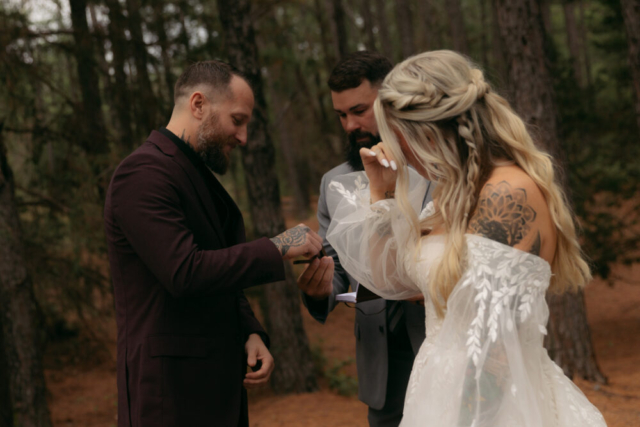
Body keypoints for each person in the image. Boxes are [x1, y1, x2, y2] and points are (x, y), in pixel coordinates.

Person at [326, 50, 607, 426]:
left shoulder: (507, 194)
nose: (397, 152)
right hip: (438, 390)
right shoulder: (452, 193)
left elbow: (494, 350)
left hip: (488, 404)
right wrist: (382, 194)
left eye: (399, 136)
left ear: (430, 130)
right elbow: (388, 280)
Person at [103, 61, 322, 427]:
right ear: (199, 105)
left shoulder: (190, 171)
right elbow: (185, 271)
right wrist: (278, 246)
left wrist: (249, 329)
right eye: (237, 120)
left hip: (214, 392)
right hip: (169, 398)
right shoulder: (142, 173)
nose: (243, 137)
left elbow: (217, 265)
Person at [296, 51, 431, 427]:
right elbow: (337, 264)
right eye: (341, 115)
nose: (350, 125)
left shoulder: (438, 165)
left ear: (391, 101)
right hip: (380, 358)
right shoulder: (333, 183)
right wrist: (321, 287)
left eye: (360, 110)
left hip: (440, 339)